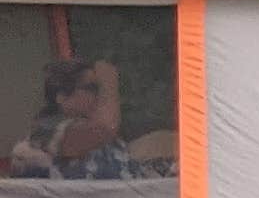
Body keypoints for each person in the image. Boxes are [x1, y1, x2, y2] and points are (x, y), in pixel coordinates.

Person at [6, 56, 171, 180]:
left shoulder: (99, 132)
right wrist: (108, 82)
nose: (100, 96)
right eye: (92, 88)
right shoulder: (45, 130)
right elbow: (105, 128)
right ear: (62, 97)